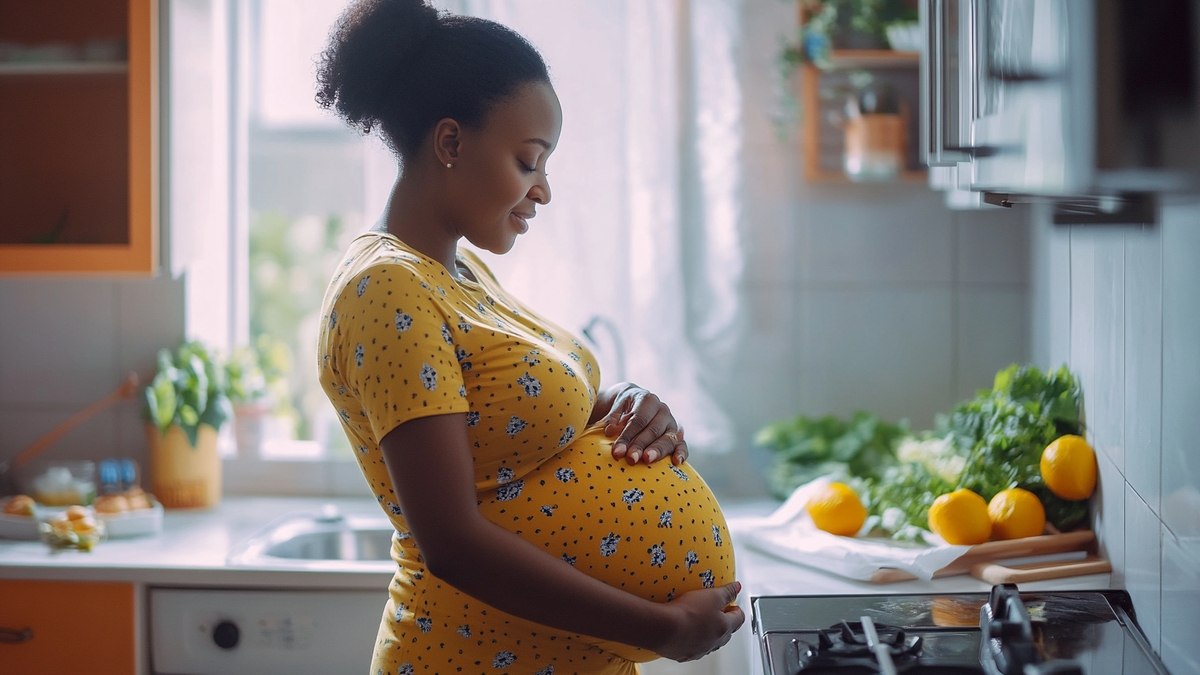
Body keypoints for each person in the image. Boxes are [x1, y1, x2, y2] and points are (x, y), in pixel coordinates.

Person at [314, 1, 742, 673]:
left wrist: (623, 403)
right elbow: (451, 541)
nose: (542, 190)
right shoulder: (387, 289)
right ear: (451, 143)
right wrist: (661, 625)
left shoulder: (456, 271)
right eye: (527, 160)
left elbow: (513, 416)